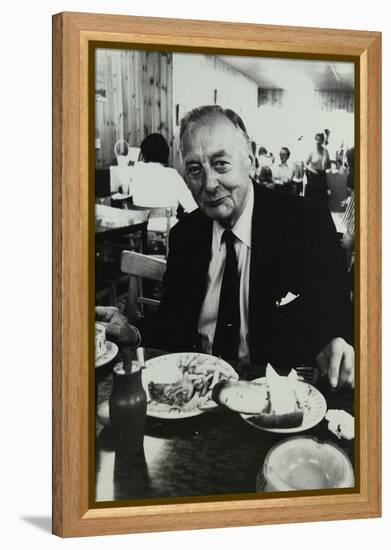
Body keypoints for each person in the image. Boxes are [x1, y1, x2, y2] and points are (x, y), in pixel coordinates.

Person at [97, 106, 354, 389]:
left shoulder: (306, 224)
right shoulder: (185, 235)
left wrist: (338, 343)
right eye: (195, 170)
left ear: (250, 162)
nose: (208, 185)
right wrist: (132, 332)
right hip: (196, 392)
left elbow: (340, 318)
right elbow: (172, 322)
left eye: (221, 164)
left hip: (274, 397)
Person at [131, 133, 197, 213]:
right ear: (165, 153)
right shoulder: (172, 175)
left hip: (143, 224)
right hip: (169, 224)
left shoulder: (136, 172)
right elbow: (192, 207)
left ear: (143, 153)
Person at [304, 132, 331, 205]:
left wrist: (326, 166)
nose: (318, 142)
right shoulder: (312, 151)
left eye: (320, 140)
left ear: (322, 141)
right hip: (313, 177)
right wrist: (312, 171)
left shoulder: (325, 151)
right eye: (317, 140)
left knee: (322, 198)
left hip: (322, 176)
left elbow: (329, 165)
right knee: (312, 198)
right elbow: (305, 164)